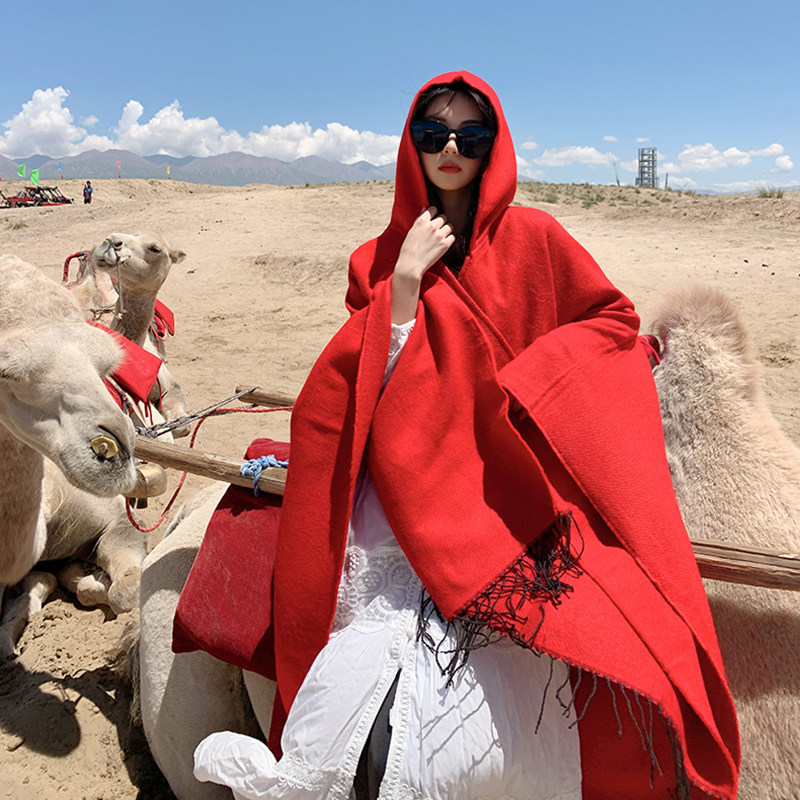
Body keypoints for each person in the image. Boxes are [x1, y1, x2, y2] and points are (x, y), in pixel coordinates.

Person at [193, 71, 740, 799]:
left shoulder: (536, 238)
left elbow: (611, 321)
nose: (450, 147)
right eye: (432, 133)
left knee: (612, 615)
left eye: (470, 135)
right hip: (413, 474)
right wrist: (406, 284)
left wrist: (521, 388)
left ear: (493, 146)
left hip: (512, 469)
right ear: (411, 145)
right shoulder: (377, 258)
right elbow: (359, 384)